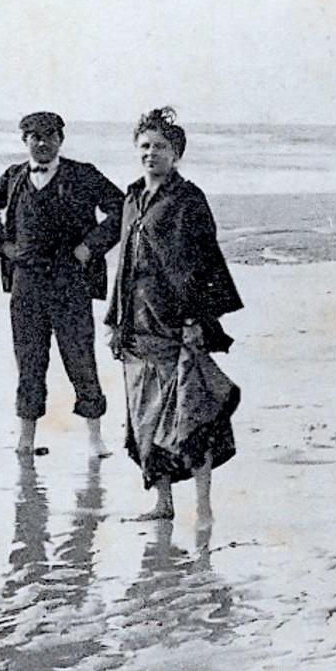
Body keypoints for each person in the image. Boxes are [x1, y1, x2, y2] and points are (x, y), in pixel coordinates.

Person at [107, 108, 243, 524]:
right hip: (137, 324)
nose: (152, 153)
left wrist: (198, 321)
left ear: (177, 152)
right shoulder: (131, 197)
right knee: (144, 416)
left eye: (161, 147)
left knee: (193, 414)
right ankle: (163, 503)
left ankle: (203, 505)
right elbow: (124, 264)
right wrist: (116, 322)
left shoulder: (189, 200)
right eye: (145, 146)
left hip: (175, 323)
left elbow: (205, 265)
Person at [0, 112, 124, 454]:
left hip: (70, 281)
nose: (42, 142)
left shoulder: (83, 174)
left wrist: (91, 247)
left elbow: (121, 208)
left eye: (49, 135)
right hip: (26, 283)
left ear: (61, 139)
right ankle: (26, 439)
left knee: (80, 358)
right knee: (29, 360)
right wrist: (3, 247)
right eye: (34, 136)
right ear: (24, 140)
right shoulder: (13, 177)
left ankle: (95, 438)